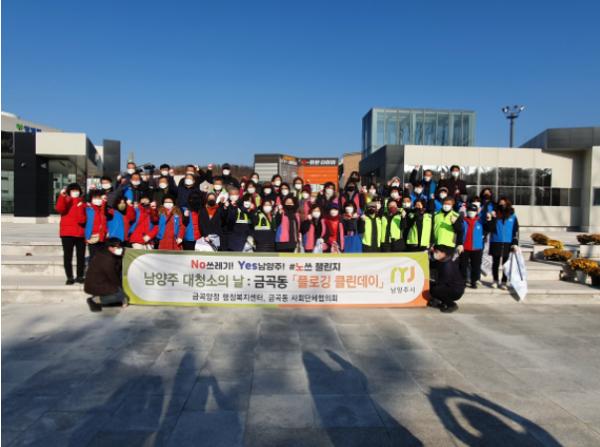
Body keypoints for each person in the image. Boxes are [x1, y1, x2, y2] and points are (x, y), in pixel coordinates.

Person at [84, 238, 128, 312]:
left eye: (120, 247)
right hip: (97, 284)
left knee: (120, 293)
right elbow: (112, 276)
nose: (120, 249)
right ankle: (95, 300)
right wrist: (120, 290)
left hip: (102, 281)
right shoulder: (107, 258)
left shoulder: (106, 253)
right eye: (117, 247)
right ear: (110, 248)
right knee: (120, 296)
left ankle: (100, 297)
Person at [55, 183, 87, 285]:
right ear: (69, 192)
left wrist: (80, 206)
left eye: (77, 190)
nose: (75, 192)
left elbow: (83, 219)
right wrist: (62, 196)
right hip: (67, 233)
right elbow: (60, 208)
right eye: (73, 190)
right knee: (68, 256)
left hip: (80, 233)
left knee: (81, 256)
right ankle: (69, 277)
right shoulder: (66, 200)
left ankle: (80, 276)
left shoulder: (83, 203)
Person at [489, 197, 519, 289]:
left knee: (506, 264)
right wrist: (492, 218)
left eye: (504, 204)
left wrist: (515, 242)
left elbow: (515, 230)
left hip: (508, 242)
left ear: (508, 204)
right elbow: (490, 228)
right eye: (500, 204)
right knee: (495, 263)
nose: (502, 205)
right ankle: (495, 280)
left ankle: (504, 281)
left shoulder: (512, 216)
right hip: (496, 241)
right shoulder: (494, 214)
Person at [459, 203, 490, 288]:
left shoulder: (480, 221)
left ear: (476, 212)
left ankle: (474, 281)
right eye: (469, 210)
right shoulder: (463, 221)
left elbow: (489, 228)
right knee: (463, 266)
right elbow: (458, 231)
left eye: (473, 211)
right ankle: (463, 281)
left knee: (475, 266)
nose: (471, 212)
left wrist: (490, 220)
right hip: (464, 247)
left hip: (476, 247)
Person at [428, 245, 465, 313]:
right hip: (450, 286)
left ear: (443, 253)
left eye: (437, 252)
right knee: (431, 285)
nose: (435, 254)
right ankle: (442, 302)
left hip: (456, 290)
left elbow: (444, 281)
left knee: (435, 289)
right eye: (435, 252)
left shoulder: (447, 265)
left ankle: (451, 305)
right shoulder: (442, 260)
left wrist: (432, 282)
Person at [85, 190, 108, 261]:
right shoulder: (88, 209)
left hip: (102, 236)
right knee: (93, 258)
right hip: (92, 236)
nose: (97, 199)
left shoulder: (103, 209)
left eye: (99, 198)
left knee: (101, 258)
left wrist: (104, 202)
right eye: (95, 197)